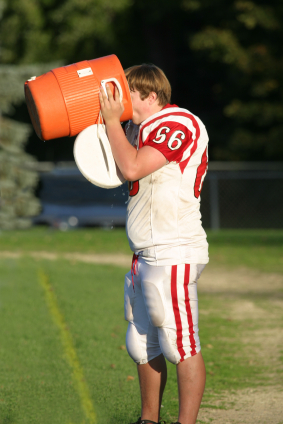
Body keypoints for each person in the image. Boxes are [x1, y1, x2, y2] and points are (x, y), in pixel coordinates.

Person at [99, 64, 209, 424]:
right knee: (140, 344)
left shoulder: (179, 123)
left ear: (150, 95)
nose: (119, 101)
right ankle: (148, 420)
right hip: (144, 251)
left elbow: (132, 168)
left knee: (179, 344)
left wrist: (114, 122)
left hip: (174, 247)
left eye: (127, 92)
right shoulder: (138, 128)